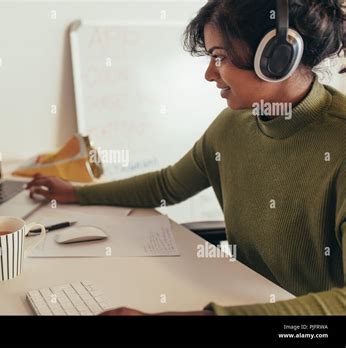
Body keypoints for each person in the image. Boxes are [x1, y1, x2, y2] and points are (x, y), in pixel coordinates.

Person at [26, 0, 346, 315]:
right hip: (242, 298)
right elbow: (167, 185)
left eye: (219, 57)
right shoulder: (232, 126)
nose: (209, 74)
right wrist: (74, 193)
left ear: (278, 57)